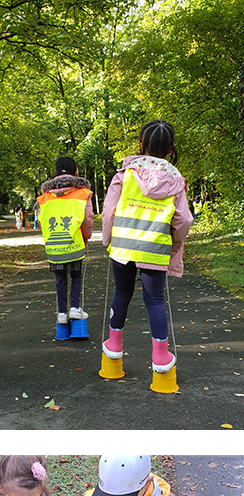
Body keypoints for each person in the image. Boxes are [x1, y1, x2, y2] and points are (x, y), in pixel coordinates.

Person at [101, 120, 193, 373]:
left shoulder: (125, 174)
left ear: (141, 145)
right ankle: (161, 357)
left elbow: (109, 212)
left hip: (123, 247)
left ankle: (115, 345)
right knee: (154, 301)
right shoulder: (175, 182)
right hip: (155, 248)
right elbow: (184, 219)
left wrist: (108, 239)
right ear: (171, 148)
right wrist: (175, 243)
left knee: (122, 294)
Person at [35, 156, 94, 324]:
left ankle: (61, 312)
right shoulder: (82, 194)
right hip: (74, 242)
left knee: (59, 278)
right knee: (76, 275)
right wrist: (86, 237)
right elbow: (87, 218)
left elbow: (41, 220)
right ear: (75, 172)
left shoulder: (44, 197)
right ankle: (75, 308)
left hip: (54, 245)